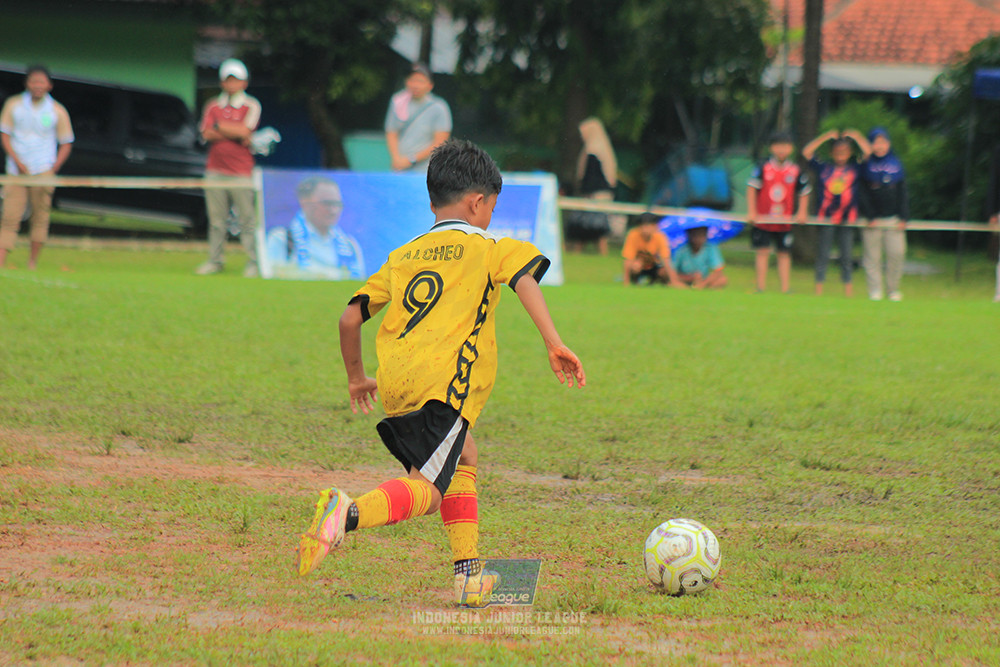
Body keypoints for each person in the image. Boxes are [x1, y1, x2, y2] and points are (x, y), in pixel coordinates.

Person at [295, 140, 586, 607]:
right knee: (426, 491)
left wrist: (356, 378)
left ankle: (468, 579)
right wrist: (554, 342)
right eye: (491, 206)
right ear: (478, 202)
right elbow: (525, 279)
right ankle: (345, 514)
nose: (490, 215)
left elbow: (350, 317)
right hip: (442, 386)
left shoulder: (404, 254)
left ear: (433, 200)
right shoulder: (490, 246)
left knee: (464, 457)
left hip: (397, 382)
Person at [0, 65, 73, 270]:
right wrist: (17, 161)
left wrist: (53, 167)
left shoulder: (57, 110)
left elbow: (66, 142)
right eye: (34, 81)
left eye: (41, 82)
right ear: (27, 83)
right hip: (16, 171)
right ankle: (2, 262)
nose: (37, 86)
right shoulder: (14, 105)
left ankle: (32, 263)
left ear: (49, 85)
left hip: (43, 170)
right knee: (9, 217)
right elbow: (5, 135)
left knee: (40, 217)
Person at [195, 58, 262, 278]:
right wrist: (231, 130)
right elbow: (206, 133)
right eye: (228, 80)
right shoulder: (212, 105)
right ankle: (215, 261)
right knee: (216, 221)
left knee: (247, 220)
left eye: (237, 80)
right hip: (214, 170)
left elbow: (245, 131)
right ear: (222, 82)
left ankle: (253, 262)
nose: (232, 84)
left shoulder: (251, 104)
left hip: (241, 171)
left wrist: (219, 127)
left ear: (244, 82)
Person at [802, 128, 872, 297]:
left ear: (850, 153)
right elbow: (806, 152)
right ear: (832, 153)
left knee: (846, 256)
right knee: (823, 254)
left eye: (844, 151)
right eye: (837, 151)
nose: (841, 154)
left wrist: (857, 136)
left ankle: (848, 291)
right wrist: (825, 136)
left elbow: (869, 153)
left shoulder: (855, 167)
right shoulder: (824, 167)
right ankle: (819, 289)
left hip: (848, 218)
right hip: (827, 217)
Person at [746, 131, 810, 293]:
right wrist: (752, 211)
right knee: (762, 252)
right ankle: (760, 287)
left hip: (784, 220)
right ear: (772, 148)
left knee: (784, 253)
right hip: (763, 219)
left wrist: (802, 212)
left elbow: (805, 191)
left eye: (785, 146)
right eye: (778, 146)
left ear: (791, 148)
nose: (782, 150)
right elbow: (752, 188)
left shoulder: (795, 170)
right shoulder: (763, 167)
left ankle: (785, 289)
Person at [265, 176, 364, 279]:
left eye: (337, 204)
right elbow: (273, 280)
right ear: (305, 203)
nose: (333, 211)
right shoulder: (283, 240)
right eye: (327, 203)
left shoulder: (350, 246)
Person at [859, 127, 909, 301]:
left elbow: (903, 191)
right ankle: (875, 291)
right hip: (872, 220)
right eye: (876, 142)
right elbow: (861, 192)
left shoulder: (897, 164)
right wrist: (869, 215)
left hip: (893, 219)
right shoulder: (865, 165)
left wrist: (903, 216)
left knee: (897, 253)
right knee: (872, 257)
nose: (880, 146)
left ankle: (893, 289)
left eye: (883, 142)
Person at [384, 62, 452, 173]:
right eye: (412, 80)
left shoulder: (439, 107)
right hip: (400, 169)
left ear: (430, 85)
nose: (415, 85)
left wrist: (411, 160)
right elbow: (391, 132)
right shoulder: (397, 101)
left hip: (427, 171)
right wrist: (397, 159)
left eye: (420, 81)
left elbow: (441, 142)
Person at [564, 117, 618, 255]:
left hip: (596, 194)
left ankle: (599, 252)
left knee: (596, 225)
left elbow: (593, 175)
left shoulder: (593, 150)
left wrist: (587, 191)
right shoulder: (600, 148)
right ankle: (581, 252)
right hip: (598, 193)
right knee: (589, 226)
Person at [621, 212, 681, 286]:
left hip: (654, 266)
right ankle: (635, 282)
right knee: (635, 266)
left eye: (647, 226)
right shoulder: (633, 235)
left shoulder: (660, 237)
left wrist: (674, 281)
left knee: (663, 271)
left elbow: (666, 259)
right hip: (640, 266)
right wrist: (626, 281)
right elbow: (628, 259)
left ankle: (664, 283)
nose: (644, 229)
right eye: (642, 226)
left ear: (655, 226)